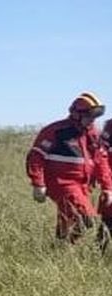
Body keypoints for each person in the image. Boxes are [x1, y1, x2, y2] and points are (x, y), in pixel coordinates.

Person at [26, 92, 112, 243]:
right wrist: (38, 183)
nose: (93, 120)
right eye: (90, 116)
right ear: (77, 114)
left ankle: (59, 249)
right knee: (86, 218)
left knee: (67, 221)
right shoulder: (56, 131)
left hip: (83, 185)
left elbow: (101, 162)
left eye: (95, 116)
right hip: (61, 183)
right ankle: (65, 246)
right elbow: (36, 156)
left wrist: (107, 187)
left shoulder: (93, 134)